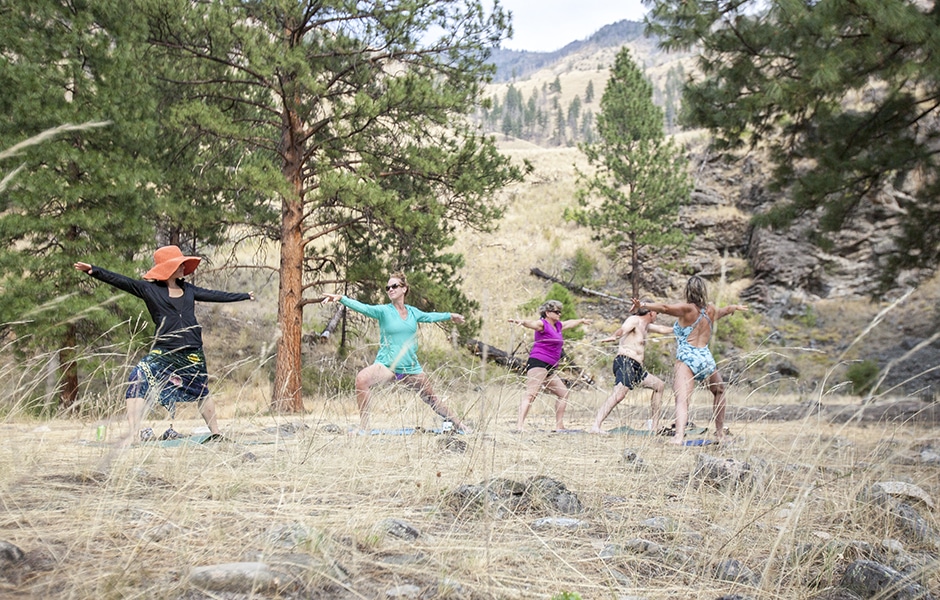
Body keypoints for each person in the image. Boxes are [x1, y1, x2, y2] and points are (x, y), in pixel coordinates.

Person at [74, 245, 254, 446]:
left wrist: (244, 295)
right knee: (138, 378)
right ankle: (134, 436)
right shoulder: (149, 289)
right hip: (166, 349)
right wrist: (94, 270)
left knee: (201, 390)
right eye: (179, 265)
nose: (183, 267)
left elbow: (216, 295)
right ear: (168, 268)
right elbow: (122, 281)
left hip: (192, 350)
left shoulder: (189, 290)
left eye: (183, 264)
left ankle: (216, 434)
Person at [322, 273, 470, 434]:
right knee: (362, 379)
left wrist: (451, 316)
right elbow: (364, 308)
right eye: (388, 288)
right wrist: (342, 298)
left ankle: (459, 424)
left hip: (410, 368)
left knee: (432, 399)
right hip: (388, 367)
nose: (390, 289)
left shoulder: (413, 313)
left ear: (404, 289)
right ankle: (364, 427)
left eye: (394, 286)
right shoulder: (384, 311)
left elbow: (430, 316)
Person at [633, 275, 747, 445]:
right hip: (705, 357)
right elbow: (725, 310)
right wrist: (734, 307)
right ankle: (720, 433)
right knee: (719, 391)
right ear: (704, 291)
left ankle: (679, 437)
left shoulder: (688, 309)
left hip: (687, 357)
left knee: (682, 398)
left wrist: (643, 305)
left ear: (688, 291)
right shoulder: (711, 310)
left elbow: (665, 307)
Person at [508, 300, 591, 432]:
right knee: (531, 394)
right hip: (538, 362)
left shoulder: (558, 326)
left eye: (560, 311)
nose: (559, 314)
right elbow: (533, 324)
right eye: (557, 311)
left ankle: (559, 426)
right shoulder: (543, 324)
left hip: (551, 367)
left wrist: (581, 320)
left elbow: (569, 323)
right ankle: (519, 427)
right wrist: (522, 322)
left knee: (563, 393)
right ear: (547, 313)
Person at [589, 307, 672, 434]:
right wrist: (613, 336)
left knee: (659, 385)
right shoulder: (634, 320)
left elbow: (662, 329)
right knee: (619, 394)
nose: (657, 315)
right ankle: (596, 426)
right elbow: (623, 329)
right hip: (625, 362)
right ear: (651, 312)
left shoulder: (646, 326)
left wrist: (684, 328)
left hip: (637, 367)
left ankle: (655, 427)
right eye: (657, 312)